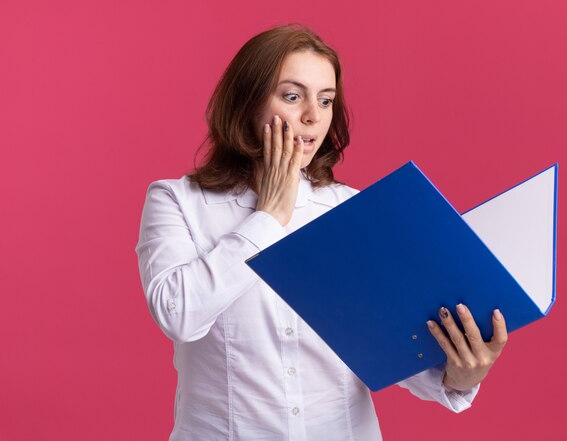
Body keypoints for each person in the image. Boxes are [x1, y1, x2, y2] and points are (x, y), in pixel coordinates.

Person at [135, 24, 508, 441]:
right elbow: (179, 316)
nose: (313, 115)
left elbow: (386, 347)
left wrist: (458, 374)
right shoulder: (177, 200)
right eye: (292, 96)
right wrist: (269, 218)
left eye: (326, 100)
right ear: (246, 104)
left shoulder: (354, 210)